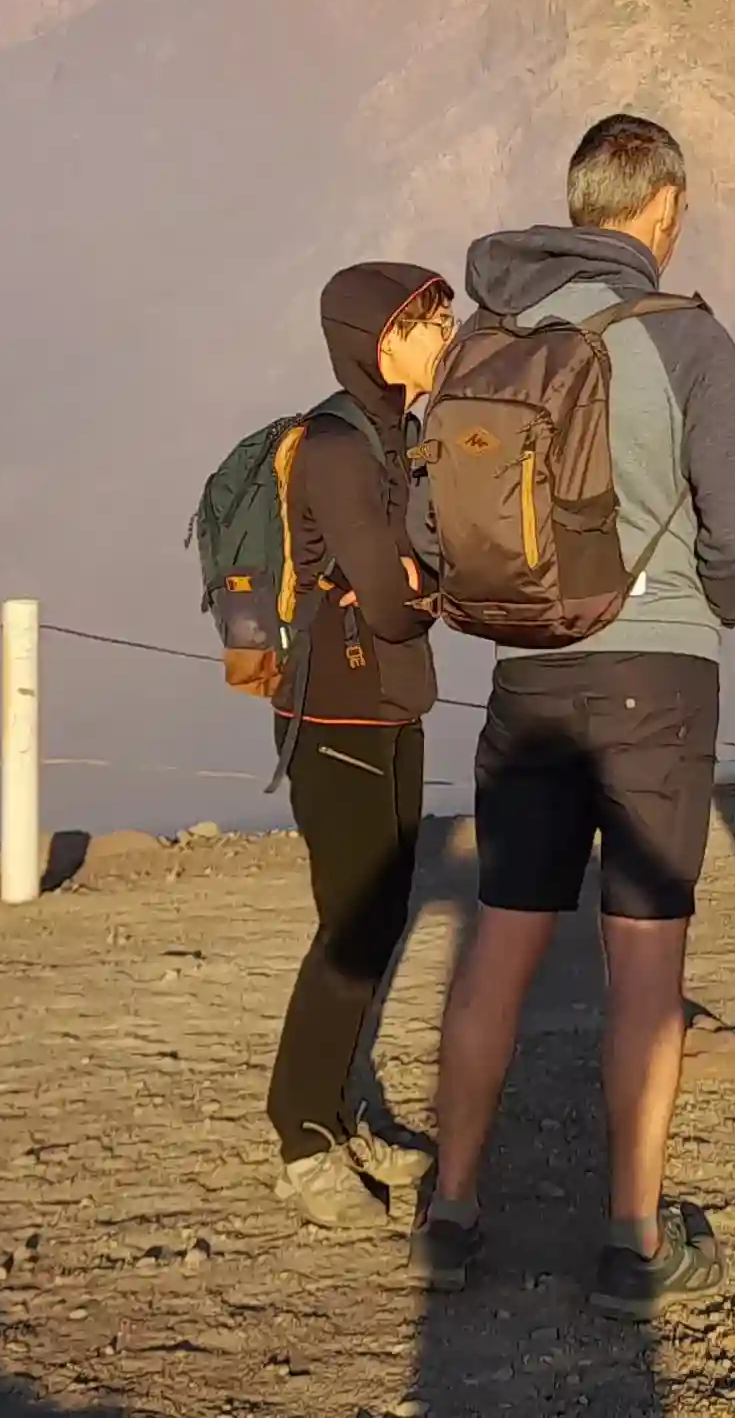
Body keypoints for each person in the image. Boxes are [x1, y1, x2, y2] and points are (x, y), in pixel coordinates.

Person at [416, 114, 735, 1320]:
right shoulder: (684, 339)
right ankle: (631, 1238)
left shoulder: (490, 331)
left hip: (525, 674)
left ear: (575, 203)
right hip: (656, 675)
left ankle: (453, 1212)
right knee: (644, 959)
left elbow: (434, 524)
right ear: (663, 207)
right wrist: (710, 606)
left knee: (502, 942)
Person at [265, 262, 457, 1228]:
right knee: (351, 928)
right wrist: (419, 583)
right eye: (426, 321)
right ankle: (300, 1137)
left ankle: (337, 1117)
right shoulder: (341, 447)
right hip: (336, 711)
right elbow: (390, 595)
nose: (443, 332)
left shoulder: (399, 437)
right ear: (377, 341)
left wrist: (418, 582)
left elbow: (414, 582)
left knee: (376, 923)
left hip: (390, 702)